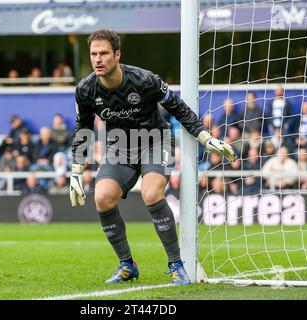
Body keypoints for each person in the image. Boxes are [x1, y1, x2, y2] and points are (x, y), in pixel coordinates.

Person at [69, 29, 236, 285]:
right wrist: (77, 170)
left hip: (155, 142)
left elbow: (178, 108)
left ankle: (175, 264)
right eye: (94, 54)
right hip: (120, 147)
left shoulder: (144, 79)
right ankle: (127, 265)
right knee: (102, 198)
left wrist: (205, 137)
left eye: (103, 53)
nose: (97, 59)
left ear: (117, 54)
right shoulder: (85, 89)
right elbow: (83, 127)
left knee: (151, 193)